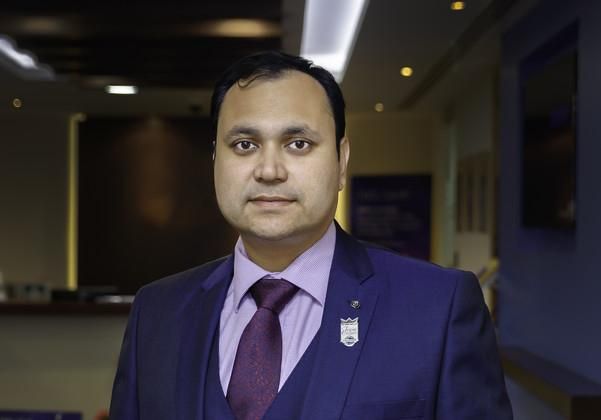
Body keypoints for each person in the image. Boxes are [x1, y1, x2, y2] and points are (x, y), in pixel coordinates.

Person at [109, 51, 512, 420]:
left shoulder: (437, 308)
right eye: (244, 144)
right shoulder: (157, 313)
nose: (269, 170)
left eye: (298, 144)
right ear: (216, 160)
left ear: (341, 162)